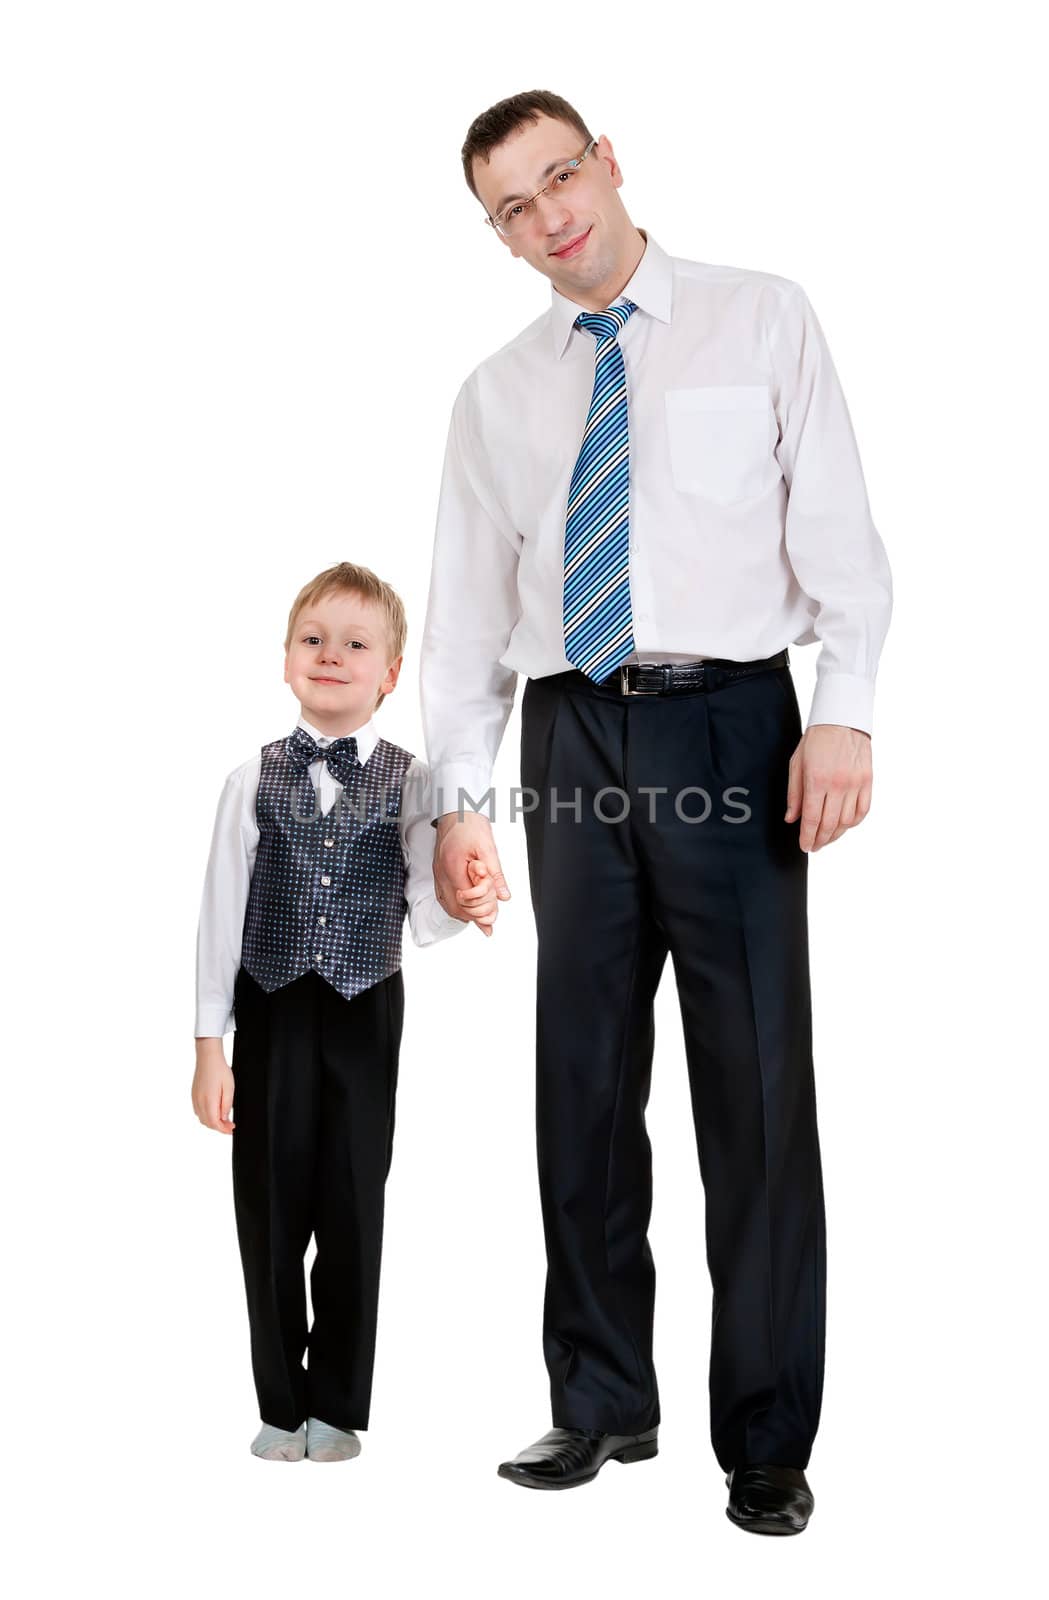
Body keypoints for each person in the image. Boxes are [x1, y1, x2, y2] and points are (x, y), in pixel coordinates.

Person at [420, 91, 892, 1532]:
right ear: (498, 237)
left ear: (609, 163)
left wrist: (845, 710)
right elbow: (458, 622)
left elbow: (842, 536)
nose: (551, 214)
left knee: (753, 1090)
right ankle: (600, 1402)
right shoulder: (497, 393)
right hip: (567, 735)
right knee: (582, 1081)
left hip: (734, 723)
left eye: (561, 176)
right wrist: (458, 802)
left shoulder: (760, 319)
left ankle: (765, 1435)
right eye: (515, 206)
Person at [192, 561, 497, 1462]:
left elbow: (426, 898)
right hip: (273, 1007)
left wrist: (465, 897)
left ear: (390, 673)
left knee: (354, 1202)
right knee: (271, 1207)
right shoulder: (250, 779)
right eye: (314, 640)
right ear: (286, 659)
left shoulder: (416, 781)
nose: (333, 656)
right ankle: (280, 1406)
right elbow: (218, 917)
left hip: (367, 1008)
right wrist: (211, 1044)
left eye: (356, 645)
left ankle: (338, 1406)